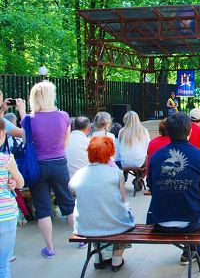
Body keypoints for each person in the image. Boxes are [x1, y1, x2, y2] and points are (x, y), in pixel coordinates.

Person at [147, 112, 200, 264]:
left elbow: (152, 188)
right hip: (190, 221)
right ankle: (196, 249)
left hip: (160, 221)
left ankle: (194, 250)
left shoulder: (156, 156)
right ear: (190, 131)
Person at [21, 81, 75, 258]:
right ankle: (81, 238)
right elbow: (66, 143)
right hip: (59, 163)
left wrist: (22, 113)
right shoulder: (64, 116)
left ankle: (50, 248)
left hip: (37, 166)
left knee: (43, 208)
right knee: (67, 203)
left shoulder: (28, 120)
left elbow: (25, 142)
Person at [69, 136, 135, 272]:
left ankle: (99, 257)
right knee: (124, 217)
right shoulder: (116, 173)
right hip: (113, 225)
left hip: (84, 226)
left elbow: (72, 189)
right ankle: (116, 258)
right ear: (110, 153)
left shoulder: (79, 173)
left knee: (95, 213)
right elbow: (123, 201)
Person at [0, 118, 24, 278]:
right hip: (5, 215)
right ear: (2, 134)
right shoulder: (6, 159)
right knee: (3, 266)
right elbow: (21, 183)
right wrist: (13, 182)